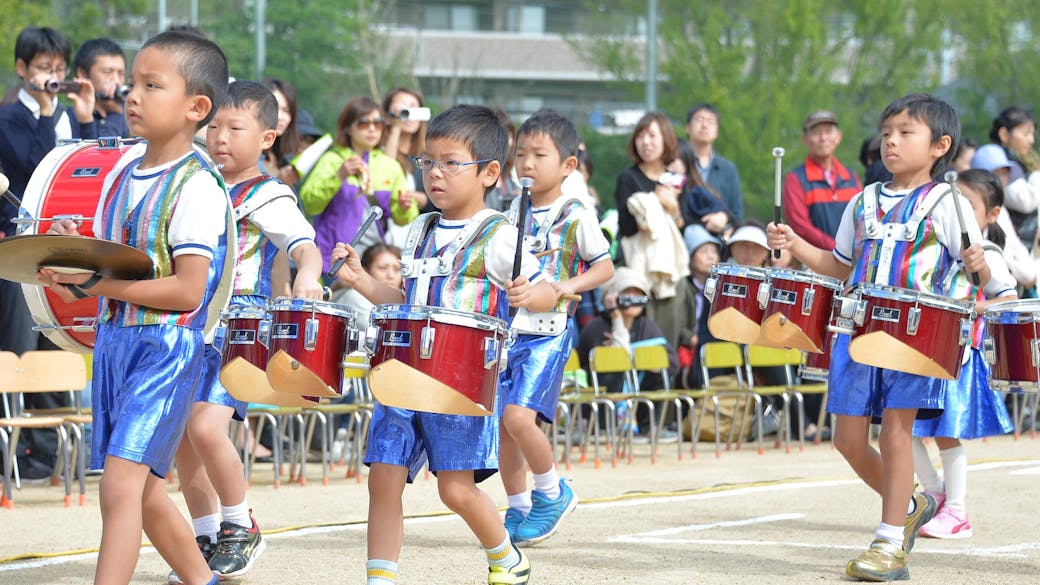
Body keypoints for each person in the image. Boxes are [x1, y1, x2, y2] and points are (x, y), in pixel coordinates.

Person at [329, 104, 558, 585]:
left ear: (490, 173)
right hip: (402, 372)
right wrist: (363, 281)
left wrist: (528, 293)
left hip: (462, 383)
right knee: (383, 478)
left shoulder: (499, 235)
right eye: (429, 161)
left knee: (454, 490)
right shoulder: (419, 230)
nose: (436, 172)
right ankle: (381, 578)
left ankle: (505, 555)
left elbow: (545, 290)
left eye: (451, 162)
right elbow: (404, 299)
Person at [767, 93, 992, 581]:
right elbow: (839, 265)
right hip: (857, 329)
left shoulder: (946, 201)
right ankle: (911, 503)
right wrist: (794, 244)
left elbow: (979, 275)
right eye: (887, 132)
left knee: (895, 430)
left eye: (906, 132)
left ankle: (889, 543)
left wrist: (981, 265)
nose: (891, 141)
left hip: (916, 336)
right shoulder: (863, 199)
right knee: (846, 441)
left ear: (940, 146)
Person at [37, 30, 232, 585]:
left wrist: (93, 280)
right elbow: (117, 264)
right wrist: (69, 251)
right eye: (132, 84)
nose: (132, 95)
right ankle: (204, 579)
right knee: (144, 493)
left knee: (120, 488)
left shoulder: (197, 185)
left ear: (197, 107)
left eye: (152, 85)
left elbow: (186, 292)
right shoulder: (122, 174)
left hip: (164, 350)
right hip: (115, 344)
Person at [167, 81, 325, 584]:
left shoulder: (268, 194)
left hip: (240, 329)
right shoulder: (195, 186)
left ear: (267, 138)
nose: (220, 137)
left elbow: (304, 245)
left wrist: (307, 274)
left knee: (209, 428)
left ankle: (240, 524)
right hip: (189, 323)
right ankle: (207, 536)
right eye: (213, 126)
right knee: (183, 443)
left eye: (235, 128)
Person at [499, 109, 614, 546]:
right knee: (503, 427)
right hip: (510, 330)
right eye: (521, 154)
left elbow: (604, 267)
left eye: (539, 155)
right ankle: (518, 506)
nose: (527, 163)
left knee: (518, 418)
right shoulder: (512, 209)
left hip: (548, 330)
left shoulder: (575, 212)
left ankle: (551, 491)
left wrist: (566, 285)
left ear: (568, 165)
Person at [0, 26, 98, 479]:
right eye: (43, 69)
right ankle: (15, 452)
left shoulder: (68, 115)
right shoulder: (9, 120)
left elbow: (91, 168)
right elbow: (32, 168)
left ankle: (48, 452)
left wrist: (85, 120)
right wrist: (43, 112)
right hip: (20, 249)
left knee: (56, 342)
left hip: (62, 247)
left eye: (59, 70)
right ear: (22, 70)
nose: (52, 79)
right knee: (19, 351)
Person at [912, 168, 1015, 540]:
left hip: (960, 353)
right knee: (899, 425)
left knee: (945, 433)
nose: (960, 213)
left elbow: (1008, 298)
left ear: (992, 214)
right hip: (928, 349)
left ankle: (956, 511)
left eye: (968, 206)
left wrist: (974, 309)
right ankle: (935, 493)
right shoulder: (941, 249)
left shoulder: (986, 253)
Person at [300, 96, 418, 270]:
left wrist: (405, 206)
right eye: (364, 123)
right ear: (348, 128)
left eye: (377, 124)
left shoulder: (389, 165)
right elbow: (310, 204)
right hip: (334, 257)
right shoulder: (332, 160)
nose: (372, 129)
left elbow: (403, 219)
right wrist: (339, 176)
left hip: (373, 263)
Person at [614, 111, 692, 352]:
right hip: (638, 267)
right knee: (638, 331)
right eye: (640, 136)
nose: (645, 142)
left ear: (666, 139)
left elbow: (683, 227)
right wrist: (656, 205)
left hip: (670, 267)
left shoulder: (676, 180)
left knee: (668, 335)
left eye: (652, 135)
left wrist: (673, 208)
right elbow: (626, 227)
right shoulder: (628, 178)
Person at [575, 267, 679, 437]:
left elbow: (672, 364)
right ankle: (602, 427)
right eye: (626, 293)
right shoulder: (596, 327)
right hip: (601, 389)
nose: (632, 299)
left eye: (637, 293)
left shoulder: (648, 327)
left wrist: (638, 357)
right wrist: (616, 319)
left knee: (659, 377)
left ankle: (647, 427)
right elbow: (609, 364)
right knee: (613, 372)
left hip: (638, 385)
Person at [782, 110, 863, 251]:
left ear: (838, 137)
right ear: (804, 139)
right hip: (812, 263)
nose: (823, 137)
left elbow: (863, 217)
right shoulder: (795, 179)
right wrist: (838, 250)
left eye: (828, 131)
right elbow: (800, 227)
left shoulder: (850, 176)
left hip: (851, 260)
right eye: (816, 132)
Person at [970, 144, 1037, 294]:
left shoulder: (1002, 208)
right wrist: (1027, 276)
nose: (1000, 178)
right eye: (995, 173)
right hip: (993, 289)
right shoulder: (983, 209)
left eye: (1004, 172)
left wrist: (1029, 274)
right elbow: (1003, 253)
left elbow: (1015, 244)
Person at [988, 106, 1040, 249]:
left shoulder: (1020, 159)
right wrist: (1038, 172)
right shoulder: (1001, 162)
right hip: (1016, 247)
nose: (1031, 140)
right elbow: (1025, 200)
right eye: (1026, 134)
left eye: (1032, 134)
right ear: (1004, 134)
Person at [678, 224, 722, 389]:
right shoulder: (682, 287)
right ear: (690, 256)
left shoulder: (720, 287)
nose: (711, 257)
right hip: (691, 347)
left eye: (714, 251)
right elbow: (676, 321)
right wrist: (689, 337)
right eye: (704, 252)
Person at [684, 103, 743, 221]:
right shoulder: (676, 163)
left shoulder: (728, 169)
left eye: (711, 121)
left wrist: (724, 219)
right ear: (687, 127)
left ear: (717, 131)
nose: (705, 125)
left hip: (722, 233)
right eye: (699, 119)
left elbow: (737, 213)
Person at [671, 139, 735, 239]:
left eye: (673, 158)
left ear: (686, 162)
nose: (667, 163)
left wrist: (723, 217)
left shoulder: (697, 193)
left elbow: (731, 218)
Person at [73, 38, 130, 138]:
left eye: (121, 74)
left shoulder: (130, 113)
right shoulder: (69, 117)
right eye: (107, 72)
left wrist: (115, 113)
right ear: (82, 73)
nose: (116, 80)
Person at [261, 78, 302, 188]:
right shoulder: (247, 154)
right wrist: (279, 180)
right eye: (276, 108)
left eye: (286, 111)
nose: (280, 117)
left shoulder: (284, 157)